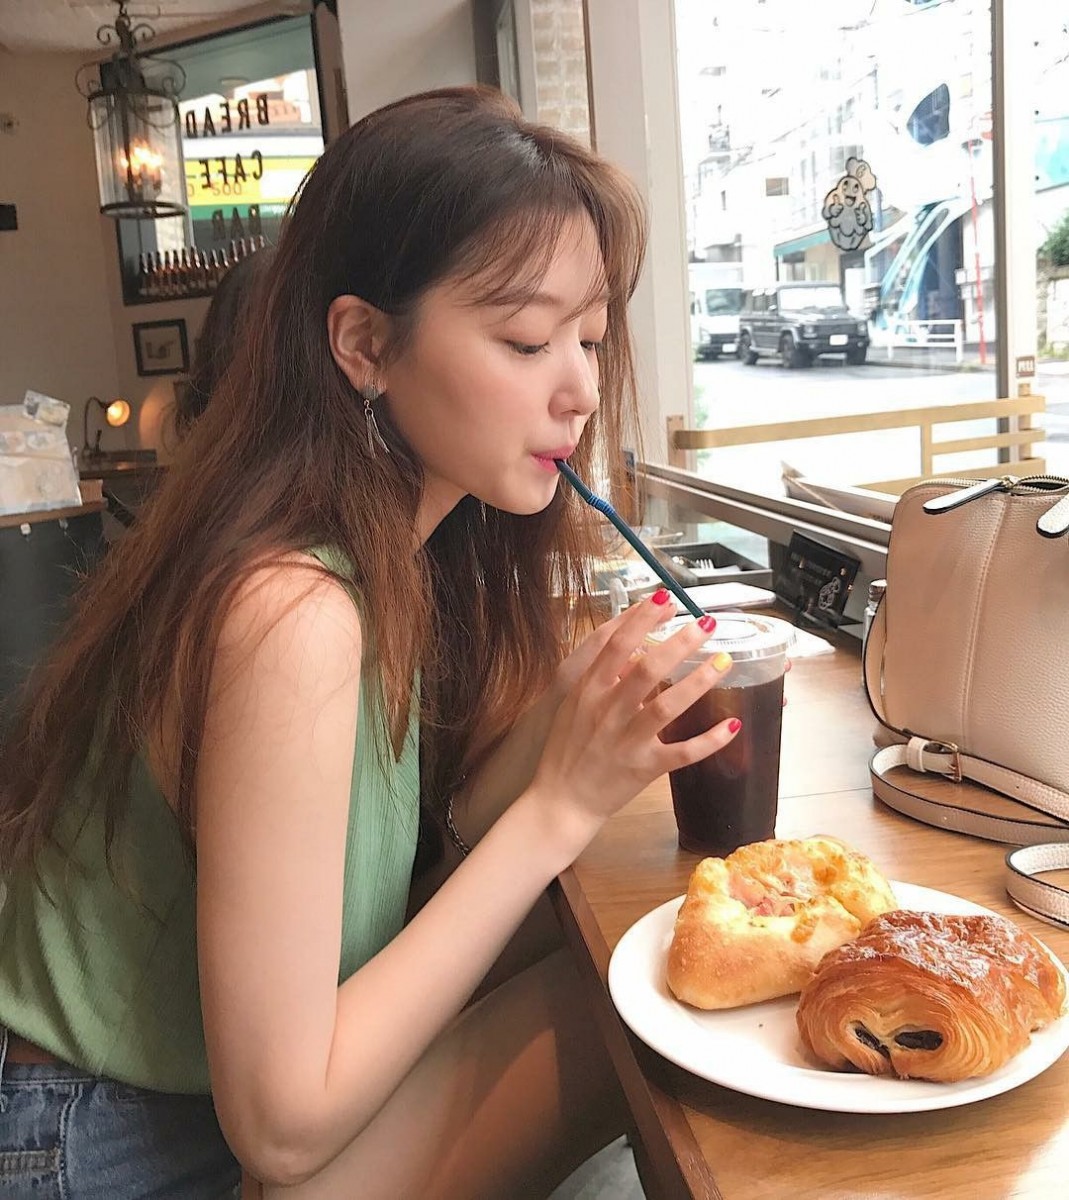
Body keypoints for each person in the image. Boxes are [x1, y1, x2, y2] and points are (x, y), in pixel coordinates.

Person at [0, 86, 741, 1199]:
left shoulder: (406, 554)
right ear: (363, 345)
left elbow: (413, 855)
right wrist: (557, 809)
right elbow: (284, 1130)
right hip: (106, 1143)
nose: (581, 388)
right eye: (528, 338)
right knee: (631, 1003)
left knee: (635, 945)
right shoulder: (291, 609)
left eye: (589, 337)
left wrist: (565, 721)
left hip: (204, 1100)